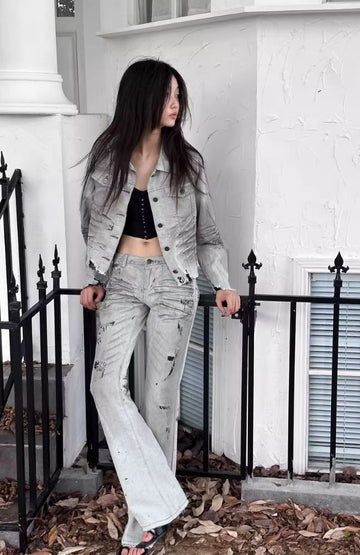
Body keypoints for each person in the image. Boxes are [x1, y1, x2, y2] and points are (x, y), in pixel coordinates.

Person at [79, 59, 240, 554]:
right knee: (105, 384)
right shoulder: (107, 157)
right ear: (142, 98)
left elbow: (207, 234)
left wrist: (223, 283)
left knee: (159, 398)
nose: (176, 105)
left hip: (174, 283)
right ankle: (161, 501)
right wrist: (96, 278)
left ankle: (145, 520)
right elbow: (91, 221)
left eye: (178, 95)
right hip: (122, 280)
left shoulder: (188, 162)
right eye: (168, 95)